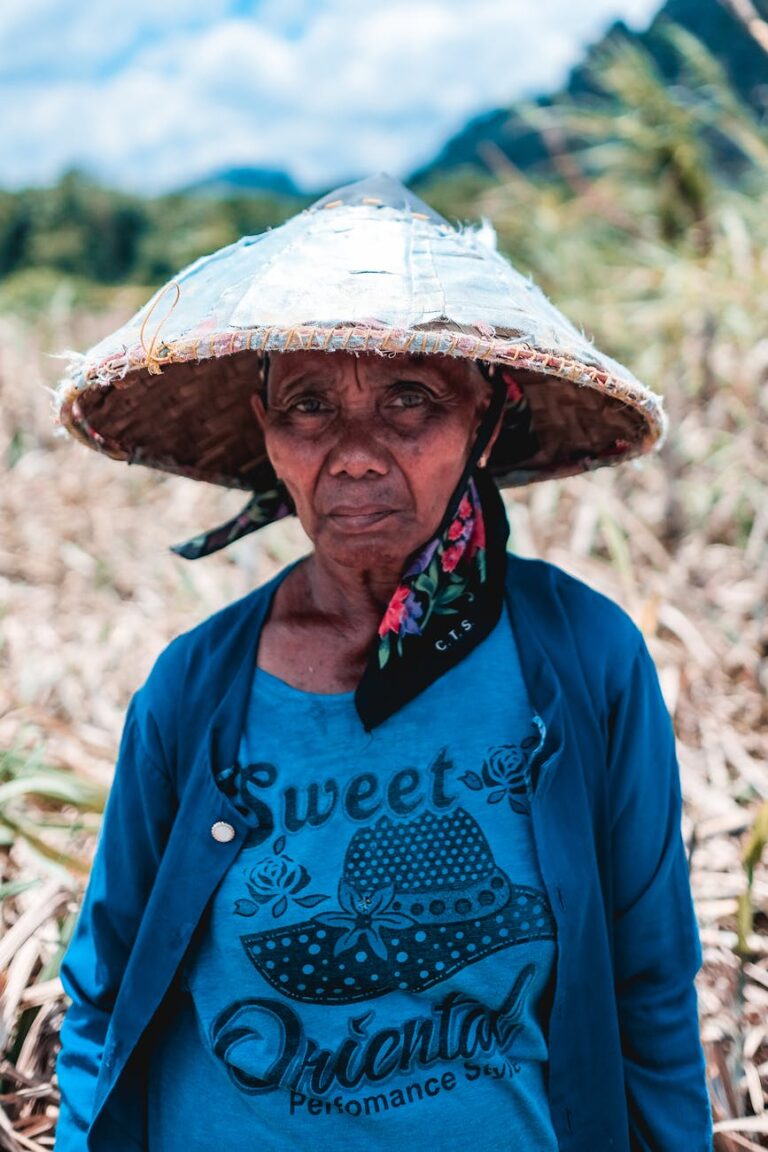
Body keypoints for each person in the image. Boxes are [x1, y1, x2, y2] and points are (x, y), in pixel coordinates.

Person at [53, 175, 713, 1151]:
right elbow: (102, 992)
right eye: (309, 405)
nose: (355, 454)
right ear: (266, 429)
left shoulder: (586, 659)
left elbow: (649, 991)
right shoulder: (192, 690)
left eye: (411, 399)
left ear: (485, 418)